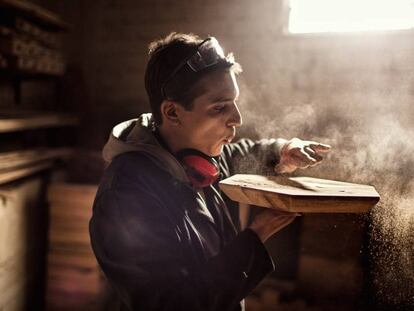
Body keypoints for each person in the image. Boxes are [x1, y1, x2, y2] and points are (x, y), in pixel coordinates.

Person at [89, 32, 331, 311]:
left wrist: (282, 150)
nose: (237, 119)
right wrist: (255, 237)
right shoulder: (126, 195)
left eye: (235, 102)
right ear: (172, 113)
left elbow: (241, 153)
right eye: (220, 107)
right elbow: (173, 305)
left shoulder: (196, 154)